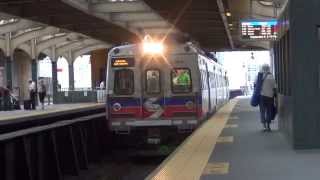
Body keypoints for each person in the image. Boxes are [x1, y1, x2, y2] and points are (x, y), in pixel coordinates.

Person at [258, 64, 277, 132]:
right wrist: (275, 97)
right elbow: (275, 88)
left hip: (261, 97)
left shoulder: (259, 77)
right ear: (268, 68)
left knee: (262, 111)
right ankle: (268, 126)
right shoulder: (271, 77)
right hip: (270, 97)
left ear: (262, 69)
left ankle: (264, 126)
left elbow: (256, 86)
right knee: (269, 111)